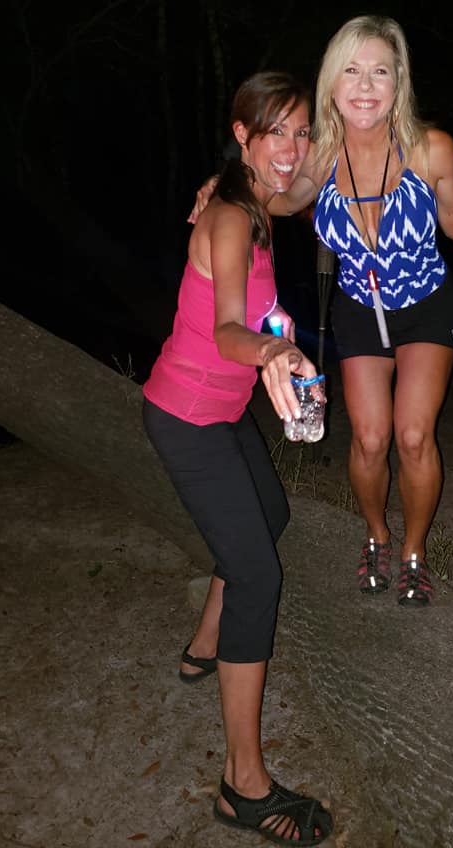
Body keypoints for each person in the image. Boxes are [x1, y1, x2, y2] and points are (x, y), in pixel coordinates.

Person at [192, 16, 453, 609]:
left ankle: (413, 551)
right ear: (332, 81)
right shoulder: (321, 157)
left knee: (412, 436)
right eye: (352, 69)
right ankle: (375, 534)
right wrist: (220, 183)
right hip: (359, 307)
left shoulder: (432, 148)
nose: (365, 84)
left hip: (428, 304)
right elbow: (270, 197)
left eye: (380, 70)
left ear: (398, 80)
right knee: (370, 439)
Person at [143, 72, 333, 845]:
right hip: (187, 418)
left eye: (300, 132)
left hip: (218, 415)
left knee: (272, 513)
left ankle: (203, 645)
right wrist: (275, 350)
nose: (291, 150)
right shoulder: (227, 217)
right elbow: (227, 329)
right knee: (257, 571)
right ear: (241, 134)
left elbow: (311, 181)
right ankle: (242, 786)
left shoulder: (261, 200)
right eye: (274, 133)